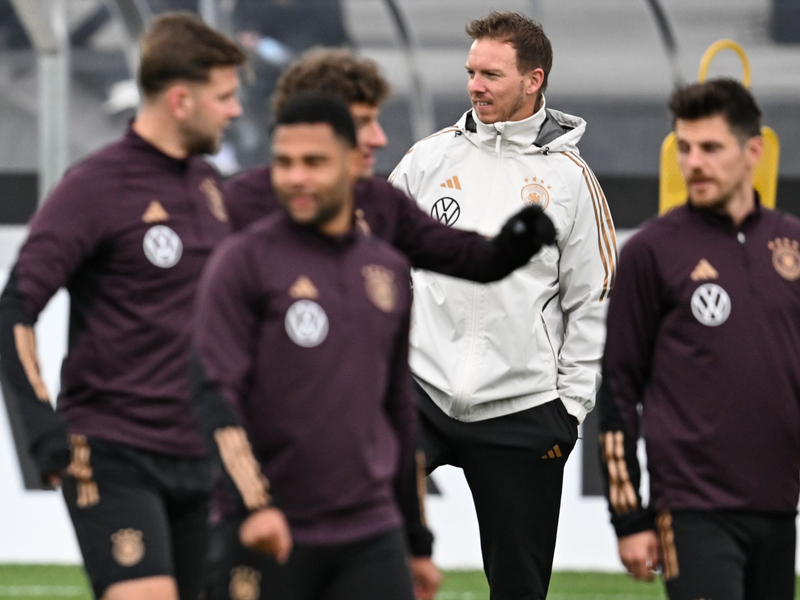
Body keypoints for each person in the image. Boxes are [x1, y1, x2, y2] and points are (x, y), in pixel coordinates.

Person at [0, 13, 244, 600]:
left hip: (201, 455)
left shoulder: (213, 187)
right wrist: (39, 427)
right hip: (112, 451)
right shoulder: (95, 186)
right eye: (225, 97)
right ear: (182, 100)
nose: (236, 111)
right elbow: (15, 307)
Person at [390, 11, 617, 599]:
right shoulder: (427, 161)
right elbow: (371, 264)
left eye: (491, 73)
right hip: (421, 394)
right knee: (363, 557)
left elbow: (593, 300)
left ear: (533, 80)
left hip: (522, 410)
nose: (475, 85)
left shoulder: (571, 180)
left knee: (519, 587)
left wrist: (570, 409)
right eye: (471, 72)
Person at [191, 94, 418, 600]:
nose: (296, 177)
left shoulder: (389, 271)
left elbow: (398, 408)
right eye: (284, 162)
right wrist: (255, 505)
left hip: (370, 530)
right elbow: (214, 394)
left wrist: (416, 539)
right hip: (269, 527)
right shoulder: (240, 262)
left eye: (314, 162)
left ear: (352, 163)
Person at [599, 78, 800, 600]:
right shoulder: (651, 251)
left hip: (780, 506)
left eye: (710, 148)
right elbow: (619, 388)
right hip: (691, 507)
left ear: (753, 150)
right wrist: (628, 517)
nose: (694, 163)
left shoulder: (792, 243)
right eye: (684, 148)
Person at [225, 48, 556, 285]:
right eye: (363, 122)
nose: (379, 138)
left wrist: (518, 240)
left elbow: (470, 258)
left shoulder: (380, 202)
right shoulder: (237, 206)